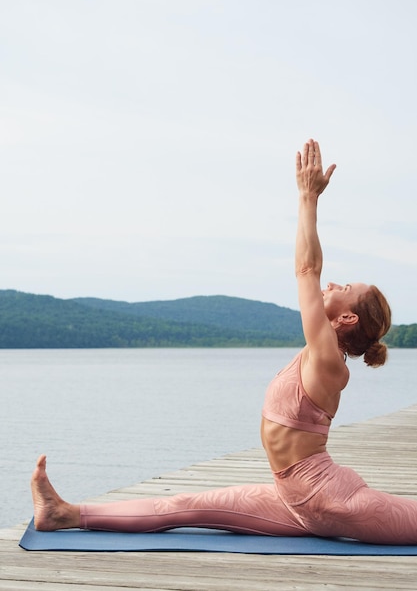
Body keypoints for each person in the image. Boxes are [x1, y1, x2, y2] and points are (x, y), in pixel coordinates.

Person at [31, 139, 417, 544]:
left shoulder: (327, 359)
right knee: (181, 505)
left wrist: (308, 197)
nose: (334, 282)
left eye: (347, 286)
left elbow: (307, 269)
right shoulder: (318, 353)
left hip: (331, 501)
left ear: (346, 318)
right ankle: (62, 513)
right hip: (295, 497)